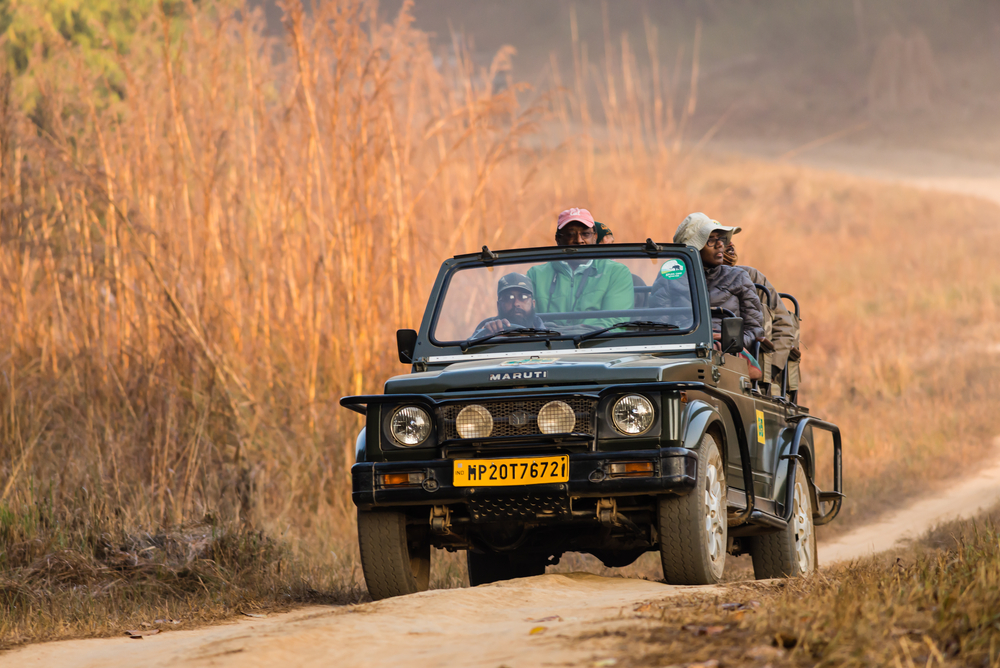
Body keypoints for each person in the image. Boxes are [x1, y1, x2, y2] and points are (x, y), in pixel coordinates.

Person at [649, 212, 764, 377]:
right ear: (692, 248)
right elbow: (658, 328)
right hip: (683, 350)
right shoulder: (669, 276)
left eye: (721, 239)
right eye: (710, 240)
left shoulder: (738, 277)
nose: (720, 245)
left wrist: (728, 341)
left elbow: (754, 331)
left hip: (727, 356)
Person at [526, 208, 634, 328]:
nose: (579, 240)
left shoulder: (617, 272)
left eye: (585, 234)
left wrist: (570, 335)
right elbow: (524, 320)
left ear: (595, 237)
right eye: (570, 234)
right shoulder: (535, 275)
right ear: (558, 239)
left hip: (596, 345)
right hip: (547, 345)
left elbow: (615, 323)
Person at [724, 242, 801, 397]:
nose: (729, 244)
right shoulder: (681, 281)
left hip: (750, 371)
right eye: (713, 239)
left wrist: (769, 372)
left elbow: (784, 325)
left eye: (726, 239)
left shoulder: (750, 277)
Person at [470, 273, 547, 337]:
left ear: (533, 304)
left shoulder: (552, 335)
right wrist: (488, 340)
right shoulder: (484, 333)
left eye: (523, 297)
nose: (516, 303)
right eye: (508, 297)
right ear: (498, 305)